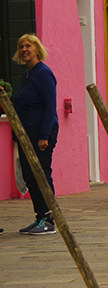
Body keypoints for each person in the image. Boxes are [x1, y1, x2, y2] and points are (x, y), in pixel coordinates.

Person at [9, 35, 58, 235]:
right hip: (26, 133)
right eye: (21, 47)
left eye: (28, 46)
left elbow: (50, 106)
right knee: (30, 176)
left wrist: (44, 135)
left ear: (37, 49)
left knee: (41, 174)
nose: (24, 49)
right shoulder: (28, 75)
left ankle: (49, 219)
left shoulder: (44, 73)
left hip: (41, 132)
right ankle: (40, 216)